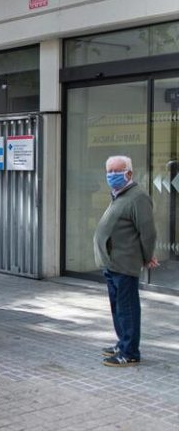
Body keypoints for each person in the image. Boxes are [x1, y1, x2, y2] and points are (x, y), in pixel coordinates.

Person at [94, 155, 158, 367]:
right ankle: (122, 343)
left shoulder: (137, 197)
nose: (112, 175)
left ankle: (130, 352)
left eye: (116, 171)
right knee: (117, 307)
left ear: (129, 173)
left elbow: (147, 232)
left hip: (125, 263)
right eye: (109, 171)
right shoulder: (118, 195)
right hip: (112, 263)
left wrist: (147, 257)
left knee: (127, 308)